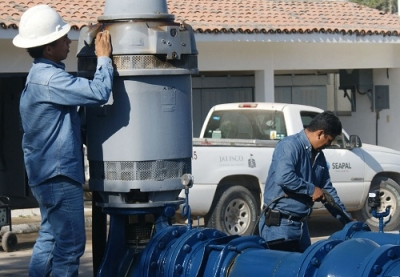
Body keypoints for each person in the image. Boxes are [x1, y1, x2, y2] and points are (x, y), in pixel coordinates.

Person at [12, 4, 113, 276]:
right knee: (70, 247)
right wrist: (103, 57)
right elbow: (100, 92)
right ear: (48, 49)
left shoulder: (39, 76)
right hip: (59, 176)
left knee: (49, 238)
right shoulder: (51, 80)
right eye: (63, 38)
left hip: (43, 175)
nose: (69, 41)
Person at [258, 111, 352, 252]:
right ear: (320, 133)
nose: (329, 144)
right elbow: (284, 177)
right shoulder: (290, 146)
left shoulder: (319, 157)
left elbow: (327, 190)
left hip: (301, 226)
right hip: (279, 227)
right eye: (329, 140)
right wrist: (311, 190)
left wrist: (347, 220)